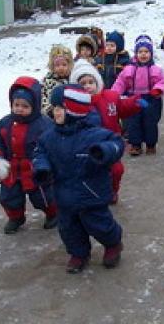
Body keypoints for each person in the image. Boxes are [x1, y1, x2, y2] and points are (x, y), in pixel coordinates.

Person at [33, 84, 124, 273]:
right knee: (68, 230)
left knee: (99, 225)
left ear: (73, 111)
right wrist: (42, 167)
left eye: (58, 108)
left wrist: (104, 151)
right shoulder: (49, 137)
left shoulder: (94, 134)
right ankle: (79, 253)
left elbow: (116, 143)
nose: (53, 112)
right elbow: (40, 152)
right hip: (63, 195)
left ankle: (113, 243)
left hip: (91, 193)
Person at [70, 59, 146, 203]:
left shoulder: (110, 97)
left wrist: (135, 102)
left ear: (97, 82)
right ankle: (94, 194)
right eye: (83, 83)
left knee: (116, 171)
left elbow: (122, 107)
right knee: (93, 173)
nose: (87, 86)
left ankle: (112, 191)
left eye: (90, 82)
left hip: (110, 143)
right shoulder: (76, 104)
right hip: (88, 147)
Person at [0, 76, 58, 234]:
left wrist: (50, 164)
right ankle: (16, 217)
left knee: (43, 195)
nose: (19, 109)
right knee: (9, 196)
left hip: (35, 168)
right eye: (16, 105)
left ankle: (53, 213)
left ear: (34, 106)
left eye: (25, 106)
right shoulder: (4, 124)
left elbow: (53, 144)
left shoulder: (44, 125)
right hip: (11, 168)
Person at [112, 35, 164, 156]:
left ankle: (150, 144)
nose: (143, 54)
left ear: (151, 53)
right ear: (136, 53)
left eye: (146, 52)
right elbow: (121, 82)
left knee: (150, 122)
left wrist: (157, 89)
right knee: (133, 122)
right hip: (134, 98)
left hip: (151, 98)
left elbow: (162, 81)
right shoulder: (129, 69)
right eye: (140, 52)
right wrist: (114, 94)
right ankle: (136, 144)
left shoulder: (155, 69)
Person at [41, 44, 73, 117]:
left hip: (71, 113)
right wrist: (50, 111)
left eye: (64, 65)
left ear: (69, 65)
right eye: (57, 65)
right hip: (54, 114)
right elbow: (44, 99)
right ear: (52, 66)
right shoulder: (48, 81)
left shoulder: (73, 79)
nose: (61, 68)